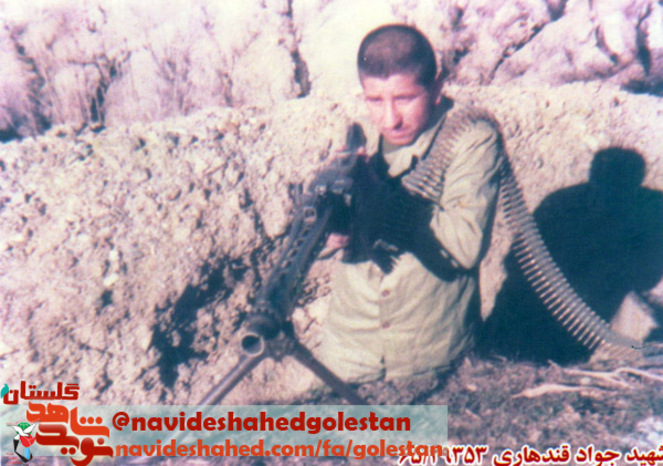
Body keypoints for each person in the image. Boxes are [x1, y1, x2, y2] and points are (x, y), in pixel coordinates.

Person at [317, 24, 503, 383]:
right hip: (348, 351)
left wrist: (379, 198)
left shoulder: (469, 137)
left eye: (404, 98)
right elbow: (324, 239)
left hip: (426, 356)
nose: (390, 119)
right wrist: (331, 232)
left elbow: (465, 244)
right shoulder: (359, 142)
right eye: (375, 101)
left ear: (436, 88)